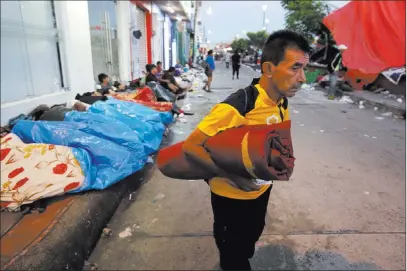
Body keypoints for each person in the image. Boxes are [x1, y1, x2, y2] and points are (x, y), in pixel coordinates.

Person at [182, 30, 310, 270]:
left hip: (260, 191)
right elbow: (191, 147)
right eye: (295, 68)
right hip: (231, 198)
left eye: (304, 68)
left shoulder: (281, 101)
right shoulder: (239, 105)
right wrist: (232, 176)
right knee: (234, 256)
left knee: (252, 236)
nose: (303, 78)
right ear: (269, 69)